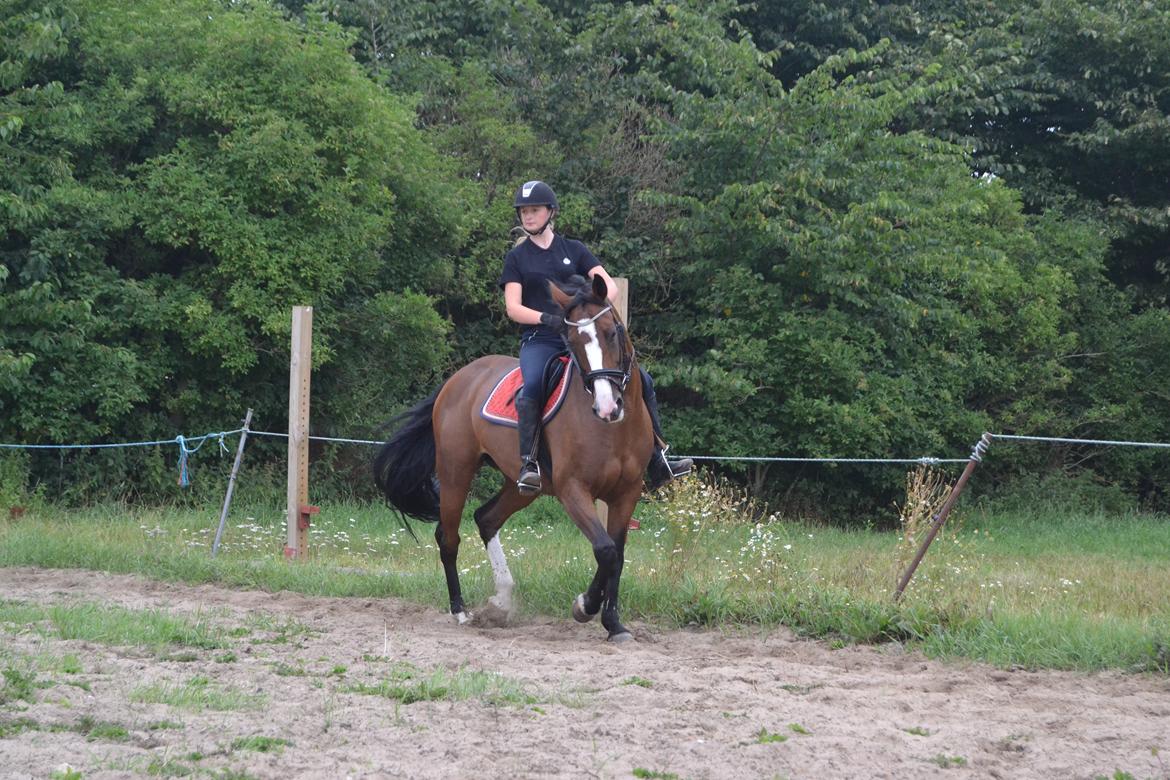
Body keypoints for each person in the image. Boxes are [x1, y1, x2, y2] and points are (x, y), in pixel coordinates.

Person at [498, 179, 693, 495]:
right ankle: (529, 464)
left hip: (584, 339)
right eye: (523, 212)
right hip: (542, 339)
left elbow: (609, 286)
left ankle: (659, 460)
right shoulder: (517, 258)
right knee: (531, 386)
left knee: (643, 378)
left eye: (534, 210)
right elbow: (512, 307)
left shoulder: (574, 249)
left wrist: (593, 306)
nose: (527, 216)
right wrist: (548, 318)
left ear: (550, 212)